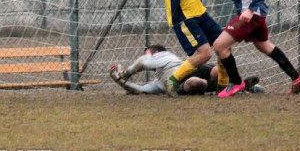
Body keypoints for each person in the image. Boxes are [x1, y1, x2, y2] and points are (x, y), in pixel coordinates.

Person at [109, 45, 262, 96]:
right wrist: (121, 82)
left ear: (156, 52)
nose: (143, 56)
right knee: (196, 83)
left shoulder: (165, 56)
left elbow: (143, 62)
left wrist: (125, 73)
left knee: (216, 71)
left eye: (147, 52)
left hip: (187, 69)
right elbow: (141, 89)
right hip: (184, 81)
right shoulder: (158, 80)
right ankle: (242, 86)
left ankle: (239, 84)